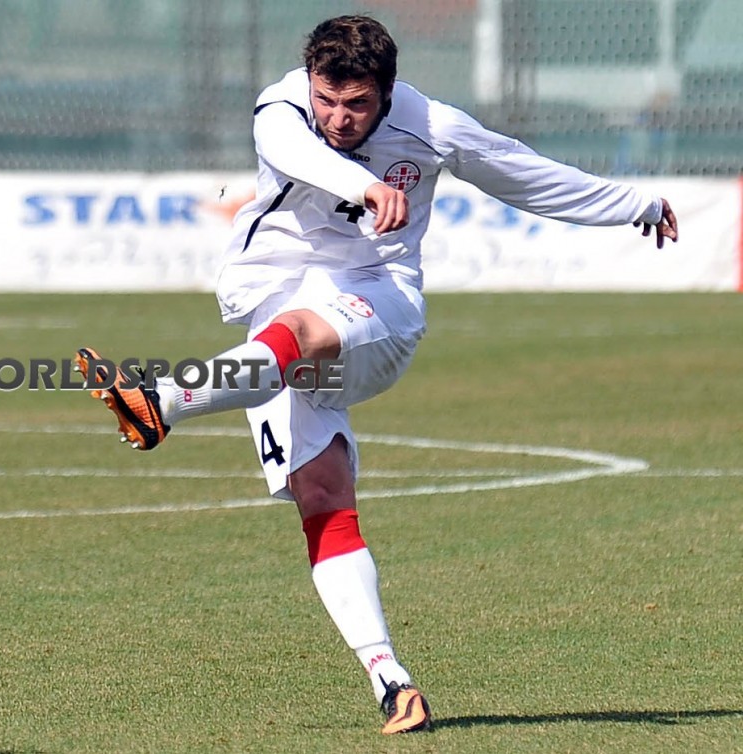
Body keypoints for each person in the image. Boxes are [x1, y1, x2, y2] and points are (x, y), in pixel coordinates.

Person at [75, 14, 678, 735]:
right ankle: (392, 681)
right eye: (327, 99)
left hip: (376, 305)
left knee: (301, 332)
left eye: (356, 104)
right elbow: (296, 151)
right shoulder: (282, 107)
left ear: (387, 93)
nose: (338, 117)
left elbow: (522, 172)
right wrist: (365, 185)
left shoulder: (432, 126)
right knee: (323, 498)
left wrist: (637, 203)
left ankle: (160, 403)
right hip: (270, 312)